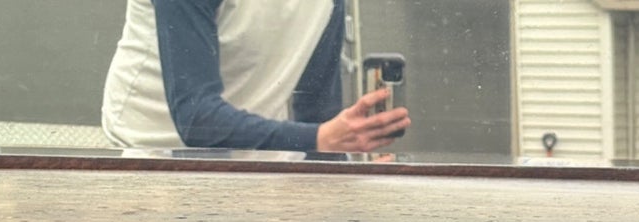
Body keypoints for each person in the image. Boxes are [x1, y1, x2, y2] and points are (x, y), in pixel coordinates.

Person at [102, 0, 410, 153]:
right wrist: (319, 139)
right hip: (146, 151)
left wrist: (349, 182)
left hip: (262, 153)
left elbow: (318, 115)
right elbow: (195, 117)